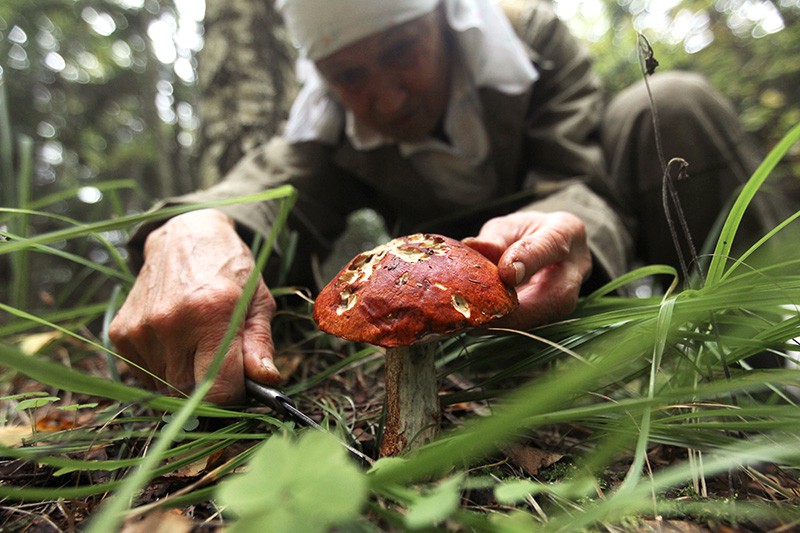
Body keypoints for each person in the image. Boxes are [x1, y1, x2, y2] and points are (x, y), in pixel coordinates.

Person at [108, 0, 792, 404]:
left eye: (401, 50)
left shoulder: (529, 40)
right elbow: (270, 186)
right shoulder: (331, 122)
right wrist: (196, 225)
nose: (386, 97)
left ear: (442, 18)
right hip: (447, 306)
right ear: (322, 76)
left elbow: (580, 173)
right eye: (349, 75)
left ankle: (769, 360)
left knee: (674, 104)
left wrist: (569, 229)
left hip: (572, 251)